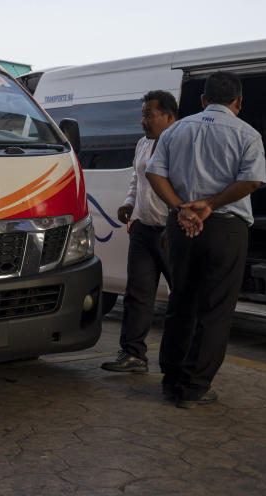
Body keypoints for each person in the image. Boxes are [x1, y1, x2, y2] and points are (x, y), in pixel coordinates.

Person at [145, 71, 266, 408]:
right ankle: (194, 387)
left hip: (181, 226)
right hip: (225, 228)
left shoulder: (177, 130)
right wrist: (210, 205)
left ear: (202, 100)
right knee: (215, 310)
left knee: (181, 303)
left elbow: (154, 172)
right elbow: (253, 181)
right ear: (239, 102)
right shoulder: (247, 134)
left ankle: (171, 381)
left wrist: (180, 209)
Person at [101, 91, 177, 373]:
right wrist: (128, 204)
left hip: (172, 232)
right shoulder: (143, 144)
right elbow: (136, 179)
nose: (143, 121)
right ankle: (133, 354)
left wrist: (176, 220)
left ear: (169, 117)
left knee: (181, 297)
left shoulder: (181, 145)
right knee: (137, 294)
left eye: (149, 115)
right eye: (143, 114)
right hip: (143, 230)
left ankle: (180, 359)